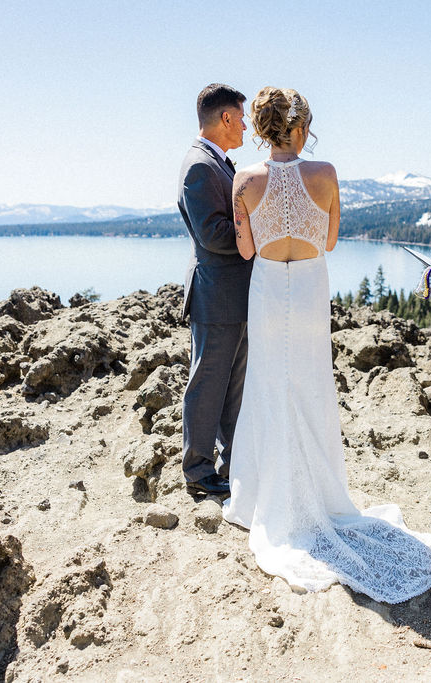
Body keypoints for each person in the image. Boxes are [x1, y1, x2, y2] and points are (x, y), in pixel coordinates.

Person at [223, 87, 431, 604]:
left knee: (269, 384)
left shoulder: (245, 180)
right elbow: (330, 241)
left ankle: (264, 495)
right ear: (302, 126)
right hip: (312, 287)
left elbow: (245, 247)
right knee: (312, 384)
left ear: (260, 127)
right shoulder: (325, 173)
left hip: (270, 287)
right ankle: (320, 493)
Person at [177, 83, 252, 497]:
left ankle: (229, 465)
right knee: (207, 385)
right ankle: (199, 471)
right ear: (225, 118)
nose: (245, 126)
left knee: (232, 388)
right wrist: (263, 229)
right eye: (240, 118)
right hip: (216, 296)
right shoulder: (199, 166)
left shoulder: (219, 163)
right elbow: (214, 235)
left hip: (234, 297)